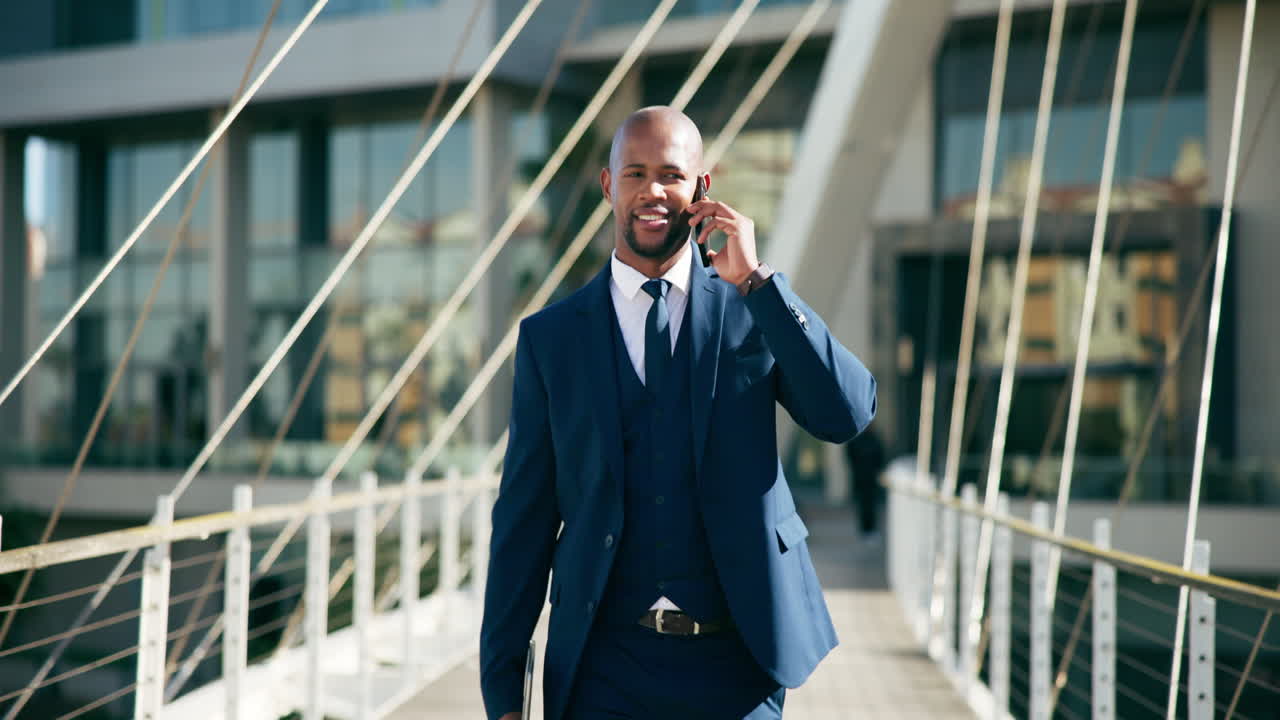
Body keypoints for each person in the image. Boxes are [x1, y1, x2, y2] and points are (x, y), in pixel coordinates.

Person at [480, 106, 877, 720]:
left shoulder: (754, 312)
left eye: (671, 173)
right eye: (634, 173)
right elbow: (523, 522)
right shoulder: (550, 339)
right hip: (603, 668)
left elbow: (847, 414)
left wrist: (763, 284)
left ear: (701, 189)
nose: (652, 191)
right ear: (610, 186)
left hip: (737, 666)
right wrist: (505, 694)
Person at [844, 425, 886, 543]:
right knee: (864, 505)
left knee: (870, 504)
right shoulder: (857, 439)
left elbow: (879, 456)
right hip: (861, 477)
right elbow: (850, 455)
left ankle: (870, 529)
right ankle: (865, 530)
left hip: (869, 477)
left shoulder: (872, 439)